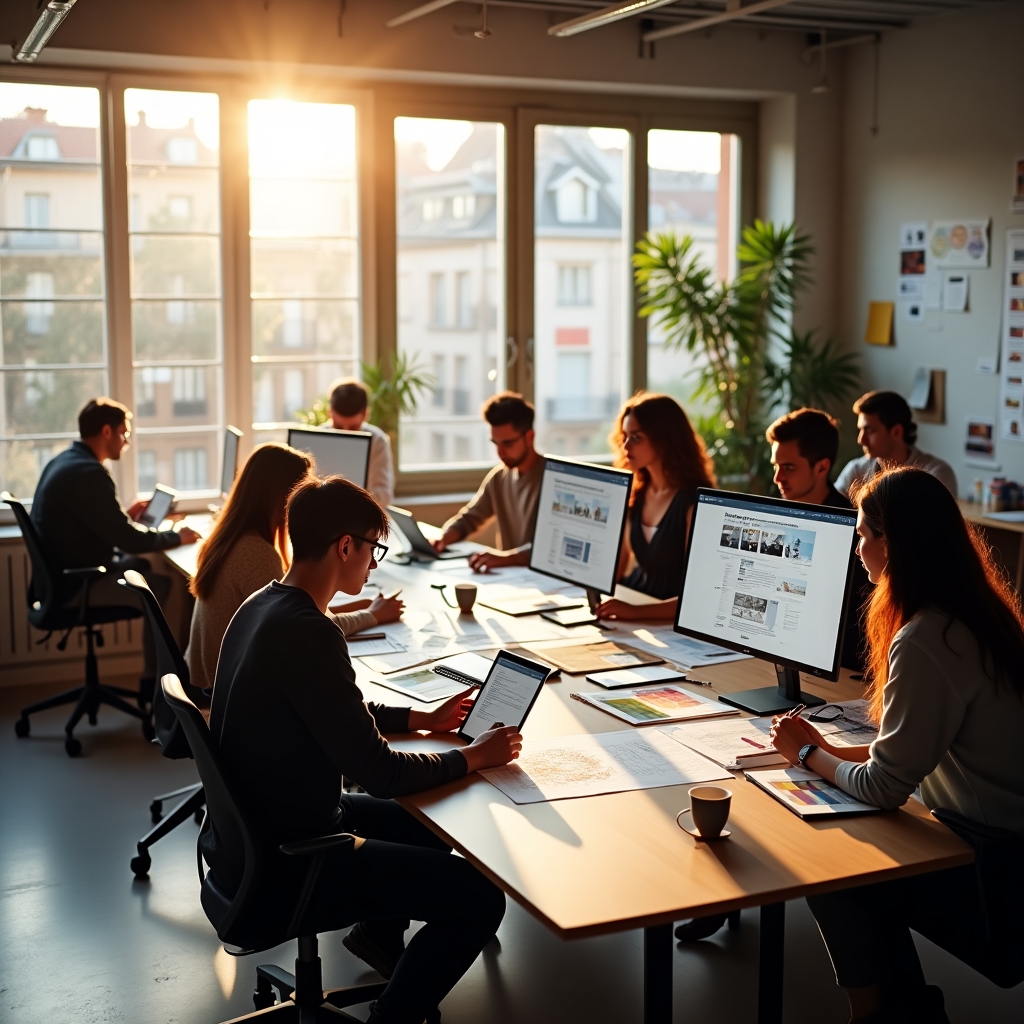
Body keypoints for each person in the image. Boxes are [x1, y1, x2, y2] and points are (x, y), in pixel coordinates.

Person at [204, 475, 521, 1024]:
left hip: (257, 832)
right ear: (344, 546)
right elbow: (379, 771)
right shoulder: (309, 630)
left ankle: (377, 935)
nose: (376, 563)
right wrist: (474, 757)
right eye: (374, 548)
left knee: (435, 823)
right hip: (294, 855)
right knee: (480, 899)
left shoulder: (265, 606)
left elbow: (330, 711)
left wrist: (418, 717)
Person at [770, 468, 1024, 1024]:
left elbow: (886, 787)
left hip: (998, 874)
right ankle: (907, 1010)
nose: (857, 547)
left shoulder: (928, 638)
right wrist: (831, 751)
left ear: (893, 543)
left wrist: (810, 757)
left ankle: (881, 1015)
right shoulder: (974, 615)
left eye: (862, 535)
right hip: (1005, 843)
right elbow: (910, 749)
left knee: (832, 867)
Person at [185, 443, 403, 694]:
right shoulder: (256, 555)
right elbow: (304, 625)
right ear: (283, 497)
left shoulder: (230, 538)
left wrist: (363, 604)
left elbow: (304, 613)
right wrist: (372, 616)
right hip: (218, 696)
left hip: (211, 684)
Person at [30, 397, 200, 689]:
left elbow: (96, 526)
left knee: (148, 568)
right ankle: (161, 684)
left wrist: (126, 515)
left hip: (60, 580)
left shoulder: (66, 462)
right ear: (107, 431)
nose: (126, 441)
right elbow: (127, 540)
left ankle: (164, 677)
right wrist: (177, 536)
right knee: (166, 587)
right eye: (125, 433)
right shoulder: (90, 473)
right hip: (78, 586)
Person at [767, 407, 871, 670]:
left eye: (789, 467)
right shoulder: (776, 517)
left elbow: (855, 632)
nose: (778, 478)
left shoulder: (855, 533)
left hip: (837, 672)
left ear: (822, 466)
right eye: (776, 466)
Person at [596, 393, 716, 622]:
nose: (625, 446)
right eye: (625, 436)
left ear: (664, 439)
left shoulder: (694, 503)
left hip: (666, 620)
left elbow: (697, 597)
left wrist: (633, 612)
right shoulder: (636, 494)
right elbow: (616, 568)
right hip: (631, 607)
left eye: (636, 437)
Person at [433, 392, 544, 572]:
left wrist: (505, 558)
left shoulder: (554, 480)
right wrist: (443, 539)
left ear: (530, 437)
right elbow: (470, 519)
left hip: (546, 584)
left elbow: (553, 550)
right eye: (495, 443)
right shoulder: (499, 476)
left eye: (508, 444)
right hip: (513, 578)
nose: (500, 453)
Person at [836, 390, 957, 497]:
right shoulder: (857, 470)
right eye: (860, 430)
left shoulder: (935, 474)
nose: (861, 440)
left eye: (870, 431)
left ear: (896, 432)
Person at [326, 378, 394, 508]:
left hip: (362, 519)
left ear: (365, 415)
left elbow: (384, 495)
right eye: (339, 426)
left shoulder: (377, 440)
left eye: (353, 428)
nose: (345, 433)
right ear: (329, 413)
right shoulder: (317, 437)